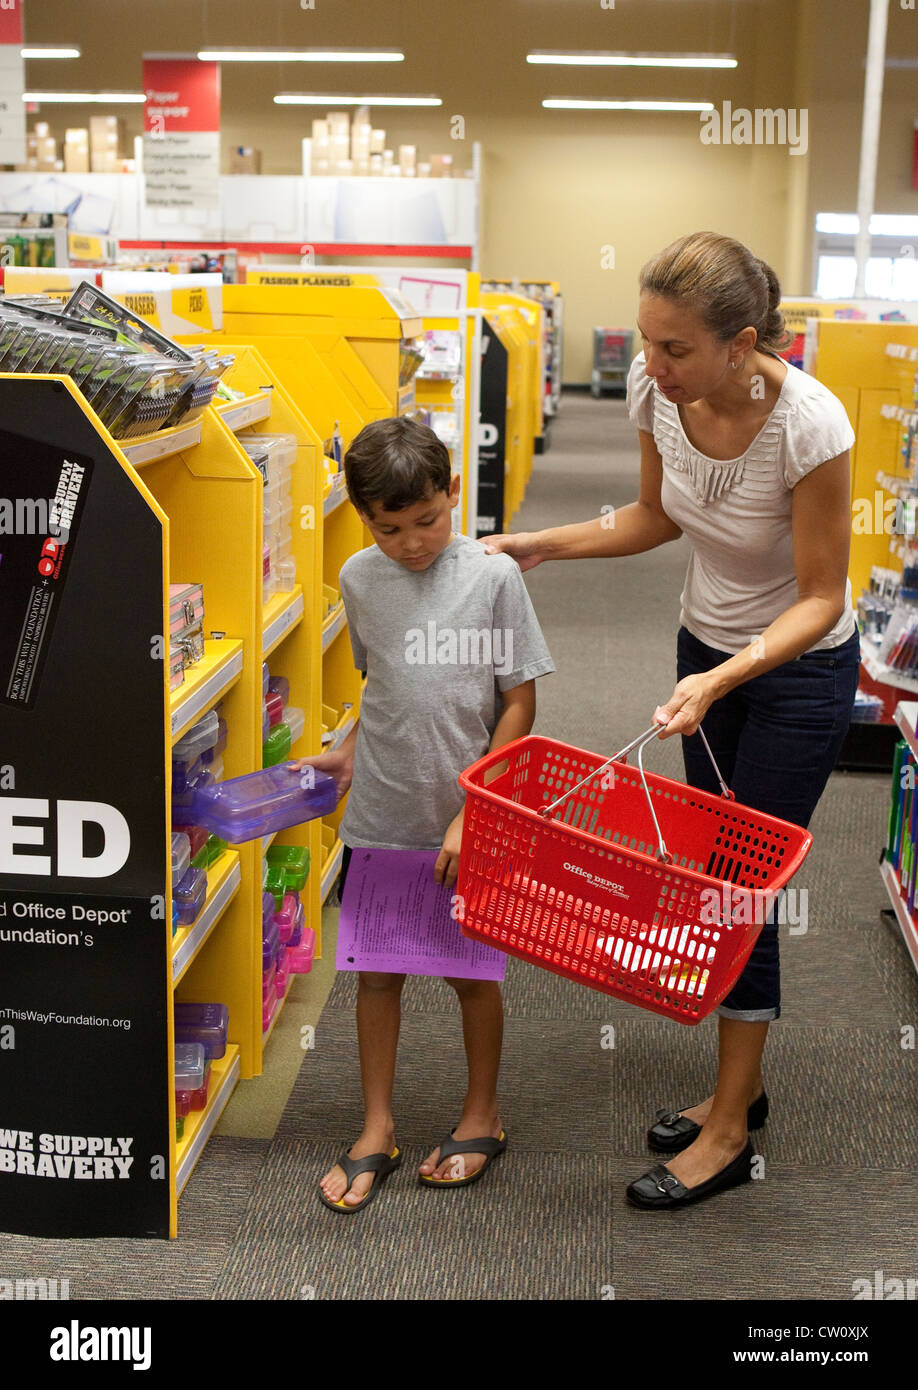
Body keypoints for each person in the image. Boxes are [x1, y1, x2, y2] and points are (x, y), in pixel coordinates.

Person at [483, 231, 859, 1209]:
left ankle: (731, 1127)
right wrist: (542, 545)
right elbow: (653, 516)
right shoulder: (664, 396)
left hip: (794, 670)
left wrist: (729, 675)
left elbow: (823, 594)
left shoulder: (812, 426)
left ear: (743, 344)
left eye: (676, 349)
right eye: (647, 343)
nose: (650, 367)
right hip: (707, 656)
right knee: (712, 871)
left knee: (740, 886)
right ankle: (743, 1083)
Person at [294, 415, 555, 1213]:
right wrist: (348, 751)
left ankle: (484, 1114)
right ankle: (377, 1126)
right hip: (380, 810)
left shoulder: (493, 577)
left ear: (452, 493)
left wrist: (476, 810)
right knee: (377, 978)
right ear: (364, 518)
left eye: (429, 520)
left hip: (465, 816)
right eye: (390, 527)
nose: (413, 542)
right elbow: (385, 686)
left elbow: (520, 704)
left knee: (471, 975)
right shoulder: (357, 577)